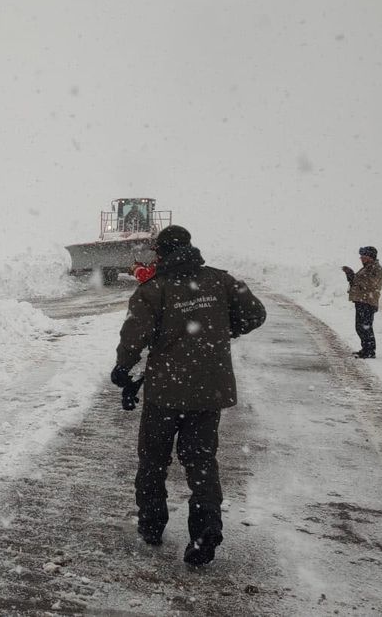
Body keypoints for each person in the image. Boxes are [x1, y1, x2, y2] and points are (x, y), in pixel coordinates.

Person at [110, 225, 266, 566]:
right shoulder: (221, 281)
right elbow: (256, 314)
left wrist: (123, 369)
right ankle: (206, 527)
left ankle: (152, 524)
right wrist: (224, 329)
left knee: (153, 461)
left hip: (165, 393)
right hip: (209, 391)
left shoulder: (154, 289)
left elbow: (134, 336)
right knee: (201, 463)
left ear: (161, 252)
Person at [342, 246, 382, 359]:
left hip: (368, 302)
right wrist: (351, 277)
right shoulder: (366, 268)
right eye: (361, 256)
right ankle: (365, 349)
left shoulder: (376, 269)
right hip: (362, 301)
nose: (361, 259)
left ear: (370, 257)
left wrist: (354, 277)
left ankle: (370, 351)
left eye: (363, 256)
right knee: (360, 327)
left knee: (366, 327)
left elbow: (370, 284)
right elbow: (358, 283)